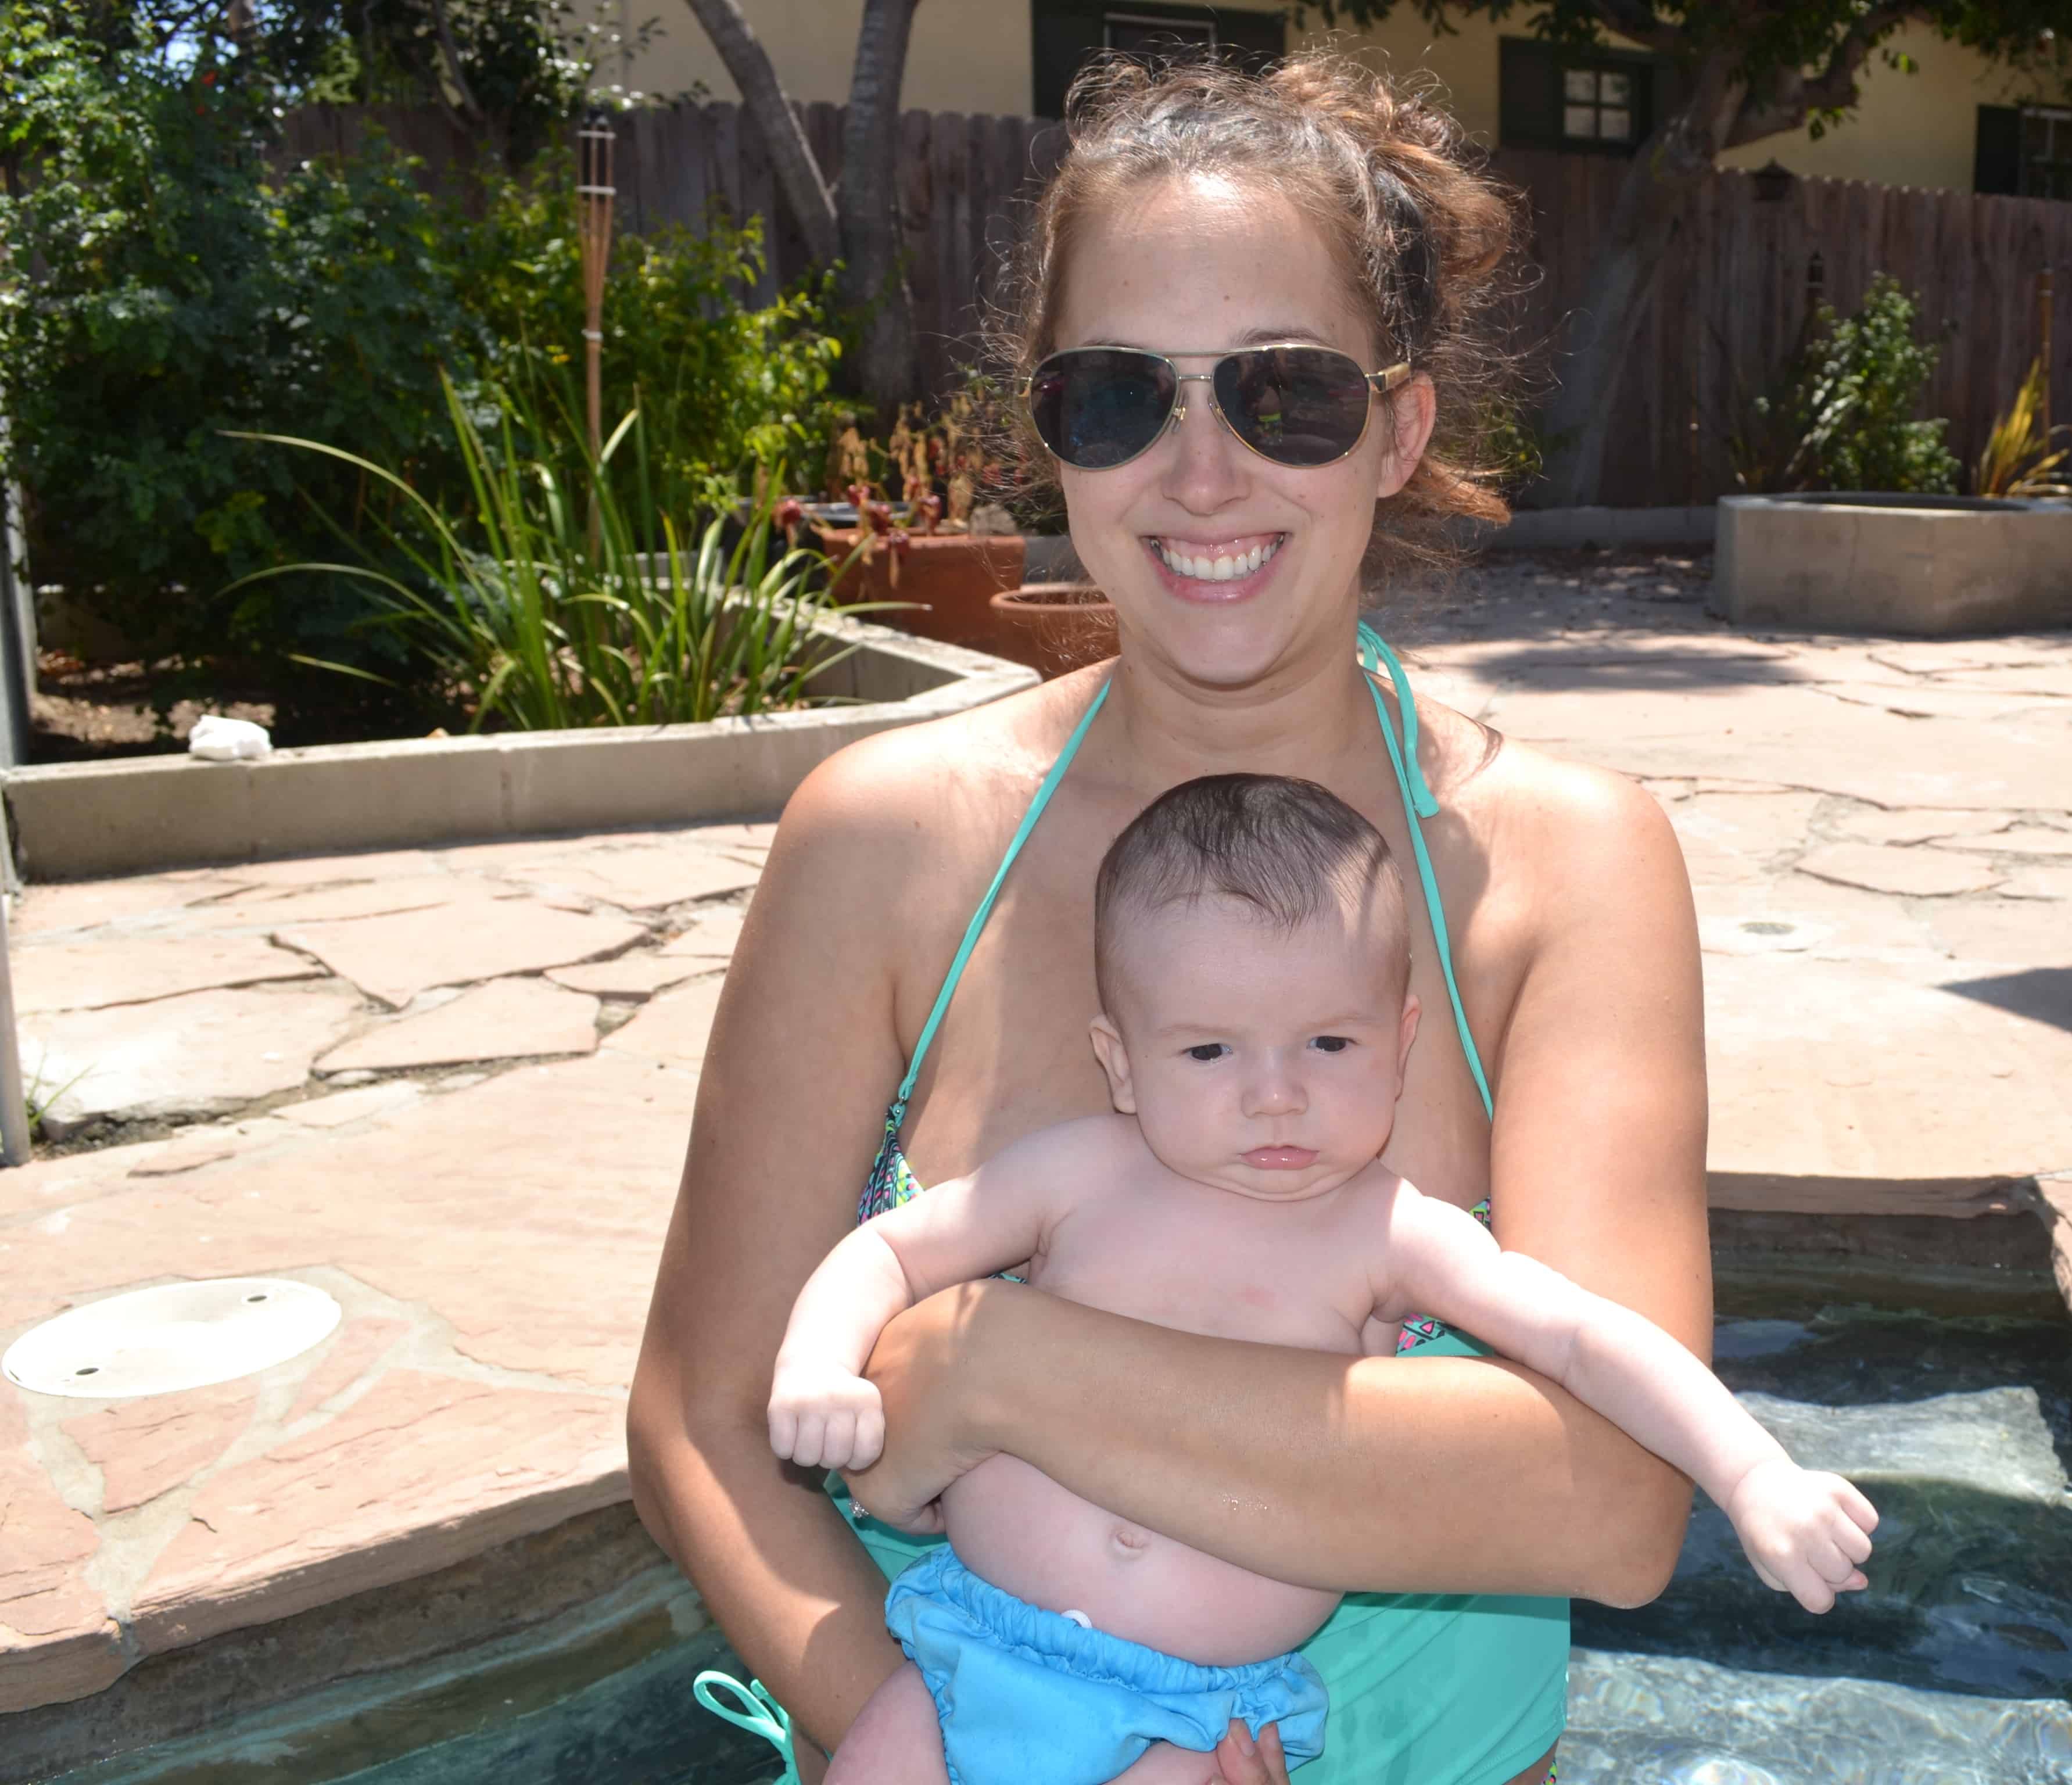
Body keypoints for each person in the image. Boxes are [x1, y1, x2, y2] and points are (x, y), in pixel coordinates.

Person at [630, 49, 1720, 1785]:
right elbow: (697, 1420)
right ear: (1051, 434)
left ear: (1401, 428)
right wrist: (968, 1754)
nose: (1200, 472)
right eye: (1120, 398)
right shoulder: (889, 841)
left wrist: (991, 1375)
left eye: (1284, 395)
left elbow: (1613, 1499)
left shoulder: (1558, 868)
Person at [768, 776, 1878, 1784]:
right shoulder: (1077, 1175)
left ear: (1400, 1044)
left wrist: (1752, 1475)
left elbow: (1588, 1338)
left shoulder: (1392, 1236)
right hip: (970, 1650)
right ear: (1120, 1061)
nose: (1275, 1096)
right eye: (1209, 1052)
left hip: (1190, 1725)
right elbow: (890, 1251)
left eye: (1328, 1046)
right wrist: (821, 1363)